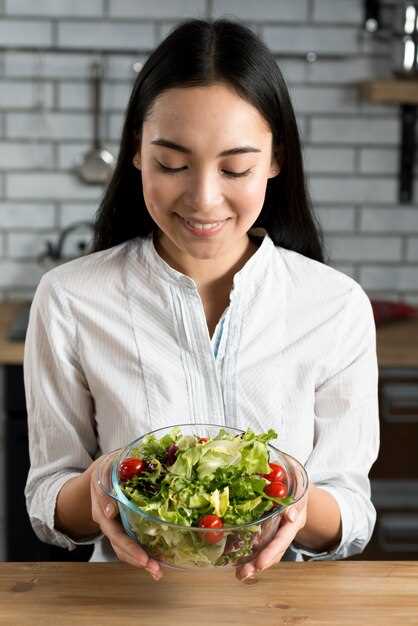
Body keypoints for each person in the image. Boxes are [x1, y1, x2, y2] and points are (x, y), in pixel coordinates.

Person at [24, 18, 379, 583]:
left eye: (235, 167)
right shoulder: (69, 298)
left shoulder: (335, 306)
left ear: (276, 160)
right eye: (171, 164)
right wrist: (101, 483)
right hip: (127, 605)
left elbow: (353, 513)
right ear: (137, 153)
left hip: (283, 609)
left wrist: (298, 501)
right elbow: (47, 498)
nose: (204, 198)